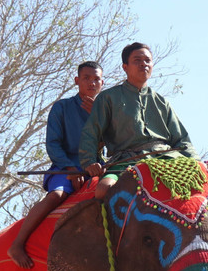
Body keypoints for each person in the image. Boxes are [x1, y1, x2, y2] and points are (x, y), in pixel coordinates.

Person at [8, 61, 105, 268]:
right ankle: (17, 244)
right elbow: (53, 143)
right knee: (57, 195)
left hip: (96, 169)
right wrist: (71, 169)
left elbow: (111, 145)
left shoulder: (105, 111)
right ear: (77, 81)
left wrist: (100, 119)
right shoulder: (62, 107)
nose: (92, 83)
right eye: (86, 78)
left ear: (102, 83)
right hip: (65, 167)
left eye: (96, 79)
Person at [80, 42, 198, 200]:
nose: (144, 64)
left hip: (167, 158)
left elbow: (182, 139)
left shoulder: (162, 101)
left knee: (207, 185)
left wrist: (196, 162)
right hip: (125, 162)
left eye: (147, 60)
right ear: (125, 67)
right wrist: (89, 162)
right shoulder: (108, 98)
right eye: (137, 60)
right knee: (104, 189)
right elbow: (91, 133)